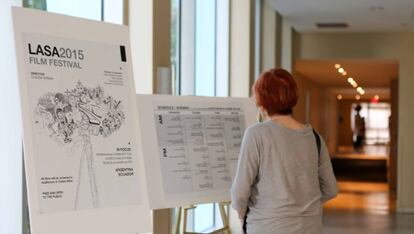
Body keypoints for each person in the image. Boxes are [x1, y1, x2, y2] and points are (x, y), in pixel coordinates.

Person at [231, 68, 338, 234]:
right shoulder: (314, 137)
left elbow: (239, 194)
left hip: (268, 227)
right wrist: (302, 207)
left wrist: (243, 213)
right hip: (310, 227)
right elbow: (330, 189)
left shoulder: (256, 134)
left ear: (262, 100)